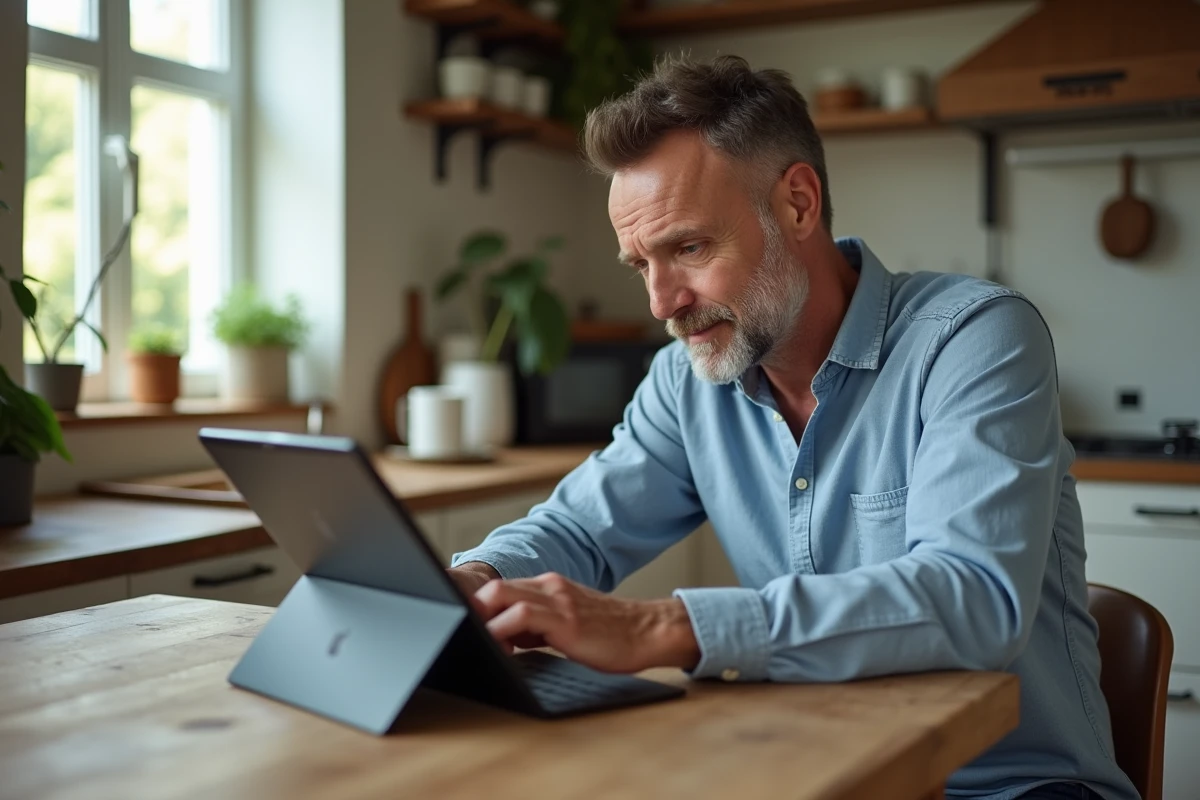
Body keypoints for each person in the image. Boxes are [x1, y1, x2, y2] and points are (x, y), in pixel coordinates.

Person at [447, 55, 1138, 800]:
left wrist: (655, 629)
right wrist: (476, 582)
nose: (661, 303)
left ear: (798, 204)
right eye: (639, 264)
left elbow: (974, 599)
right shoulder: (688, 381)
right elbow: (580, 530)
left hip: (1011, 786)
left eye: (688, 247)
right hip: (821, 769)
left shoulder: (973, 339)